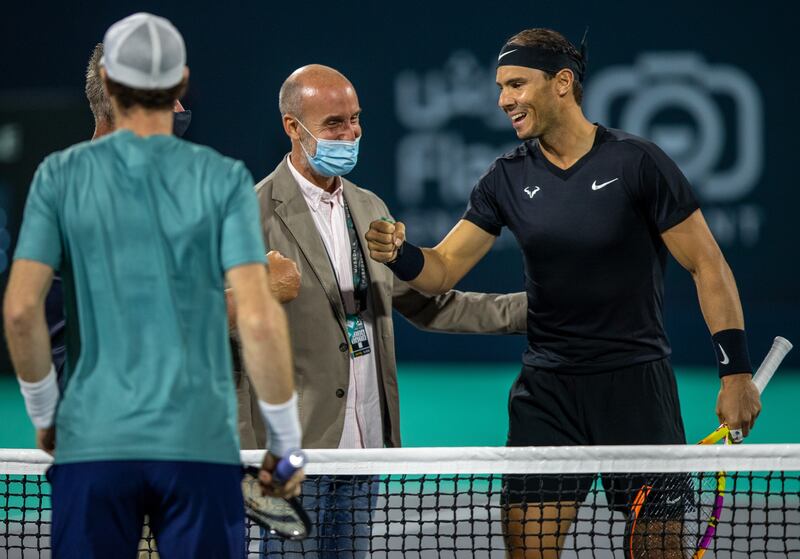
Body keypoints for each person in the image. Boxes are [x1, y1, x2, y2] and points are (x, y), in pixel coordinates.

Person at [366, 28, 761, 559]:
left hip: (637, 389)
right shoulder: (503, 179)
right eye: (501, 87)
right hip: (547, 394)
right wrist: (401, 254)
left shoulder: (637, 163)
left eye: (516, 84)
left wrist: (735, 372)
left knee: (658, 549)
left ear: (562, 84)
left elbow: (707, 265)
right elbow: (440, 272)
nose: (504, 99)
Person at [4, 13, 302, 558]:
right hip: (197, 446)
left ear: (109, 85)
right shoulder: (222, 178)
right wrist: (284, 446)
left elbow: (21, 311)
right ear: (181, 81)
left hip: (92, 442)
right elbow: (259, 320)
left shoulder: (58, 175)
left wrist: (47, 416)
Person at [235, 64, 527, 558]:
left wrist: (538, 309)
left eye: (356, 119)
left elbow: (432, 307)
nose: (350, 134)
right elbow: (209, 330)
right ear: (292, 126)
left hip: (365, 445)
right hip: (288, 457)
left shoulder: (370, 208)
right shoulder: (248, 214)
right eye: (333, 124)